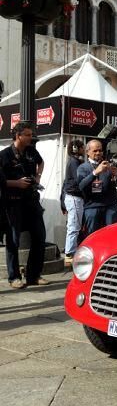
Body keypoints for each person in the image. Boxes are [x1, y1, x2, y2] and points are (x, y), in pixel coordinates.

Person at [0, 122, 47, 288]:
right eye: (27, 134)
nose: (30, 137)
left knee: (40, 236)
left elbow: (41, 163)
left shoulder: (31, 151)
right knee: (13, 240)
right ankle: (14, 278)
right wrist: (17, 183)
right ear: (18, 136)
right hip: (13, 203)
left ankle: (34, 275)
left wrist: (38, 176)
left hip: (31, 201)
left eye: (30, 134)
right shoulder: (4, 155)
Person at [77, 140, 117, 235]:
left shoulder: (108, 165)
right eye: (95, 151)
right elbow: (81, 186)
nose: (98, 153)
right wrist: (95, 172)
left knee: (112, 234)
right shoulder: (83, 167)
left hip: (110, 206)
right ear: (87, 152)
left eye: (100, 150)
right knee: (92, 235)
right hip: (92, 206)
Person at [61, 139, 85, 267]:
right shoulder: (74, 162)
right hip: (74, 197)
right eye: (82, 147)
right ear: (76, 149)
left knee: (75, 225)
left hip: (73, 197)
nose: (83, 150)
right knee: (74, 225)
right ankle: (70, 253)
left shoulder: (75, 161)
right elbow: (79, 180)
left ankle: (71, 251)